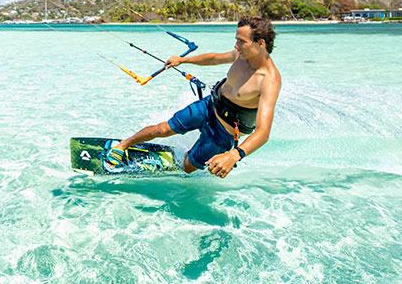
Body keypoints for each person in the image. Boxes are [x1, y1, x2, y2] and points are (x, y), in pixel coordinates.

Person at [105, 16, 281, 178]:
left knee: (188, 167)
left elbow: (263, 132)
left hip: (224, 132)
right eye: (236, 40)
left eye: (241, 42)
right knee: (163, 129)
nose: (236, 46)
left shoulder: (269, 80)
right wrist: (183, 60)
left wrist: (235, 154)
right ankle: (123, 144)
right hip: (209, 106)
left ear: (260, 43)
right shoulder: (242, 55)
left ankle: (186, 156)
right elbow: (213, 58)